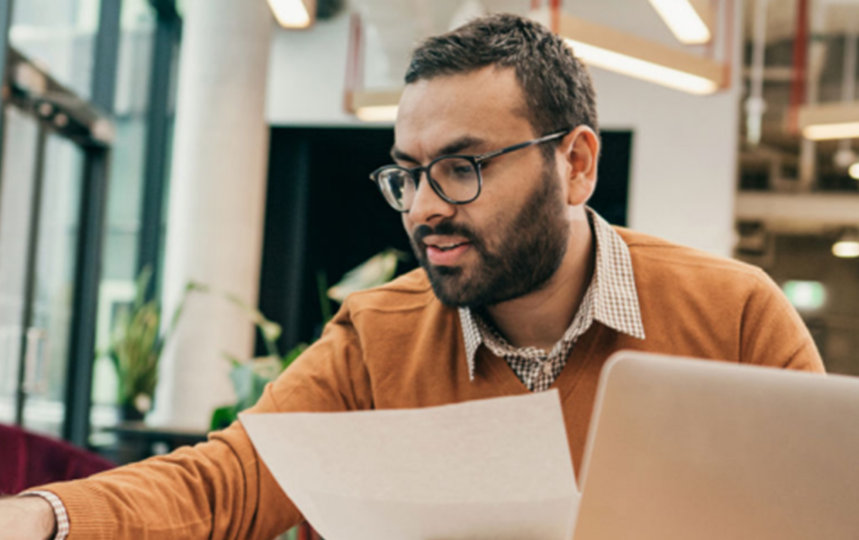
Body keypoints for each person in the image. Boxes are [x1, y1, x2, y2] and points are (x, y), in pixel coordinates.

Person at [1, 12, 824, 540]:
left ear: (574, 163)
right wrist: (42, 516)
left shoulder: (735, 316)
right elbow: (232, 482)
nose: (424, 207)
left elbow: (820, 516)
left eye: (462, 167)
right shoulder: (374, 337)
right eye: (408, 173)